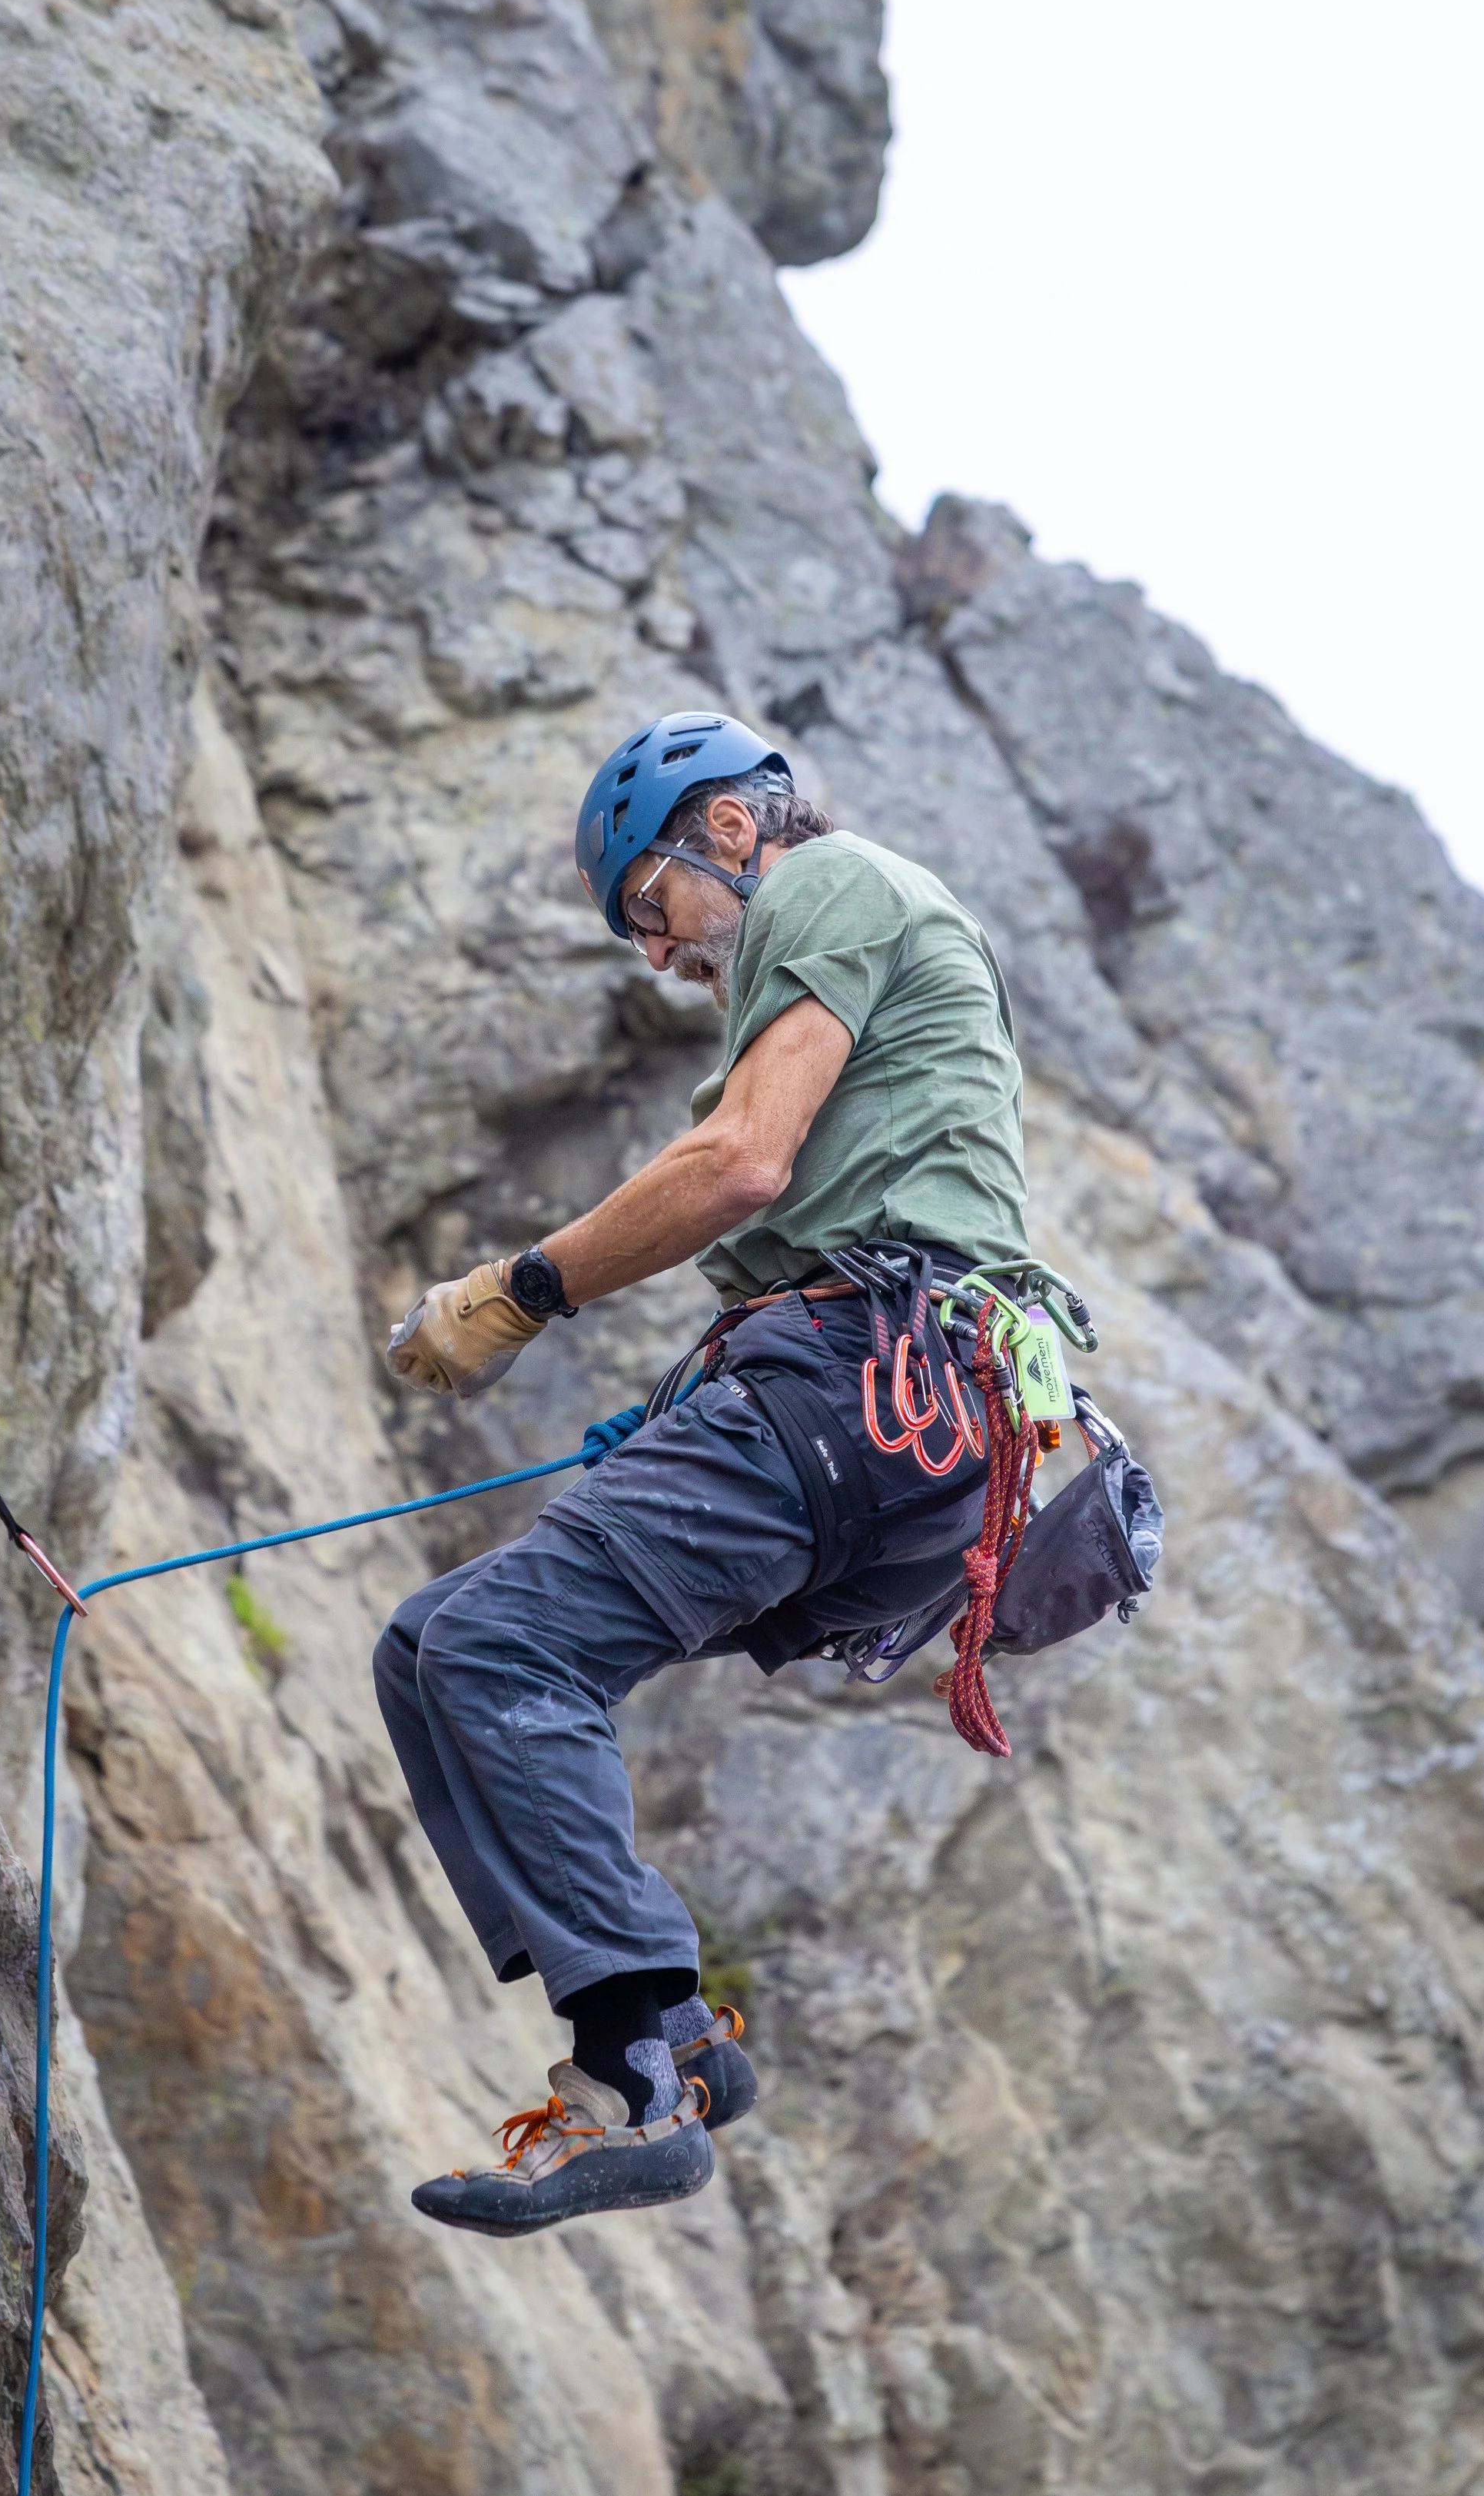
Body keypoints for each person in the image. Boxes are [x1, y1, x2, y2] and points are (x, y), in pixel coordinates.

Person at [373, 710, 1031, 2235]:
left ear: (729, 830)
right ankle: (664, 2037)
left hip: (863, 1388)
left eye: (652, 908)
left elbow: (740, 1163)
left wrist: (516, 1290)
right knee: (426, 1646)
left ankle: (635, 2065)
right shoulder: (833, 946)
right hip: (877, 1416)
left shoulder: (831, 883)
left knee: (497, 1644)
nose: (658, 955)